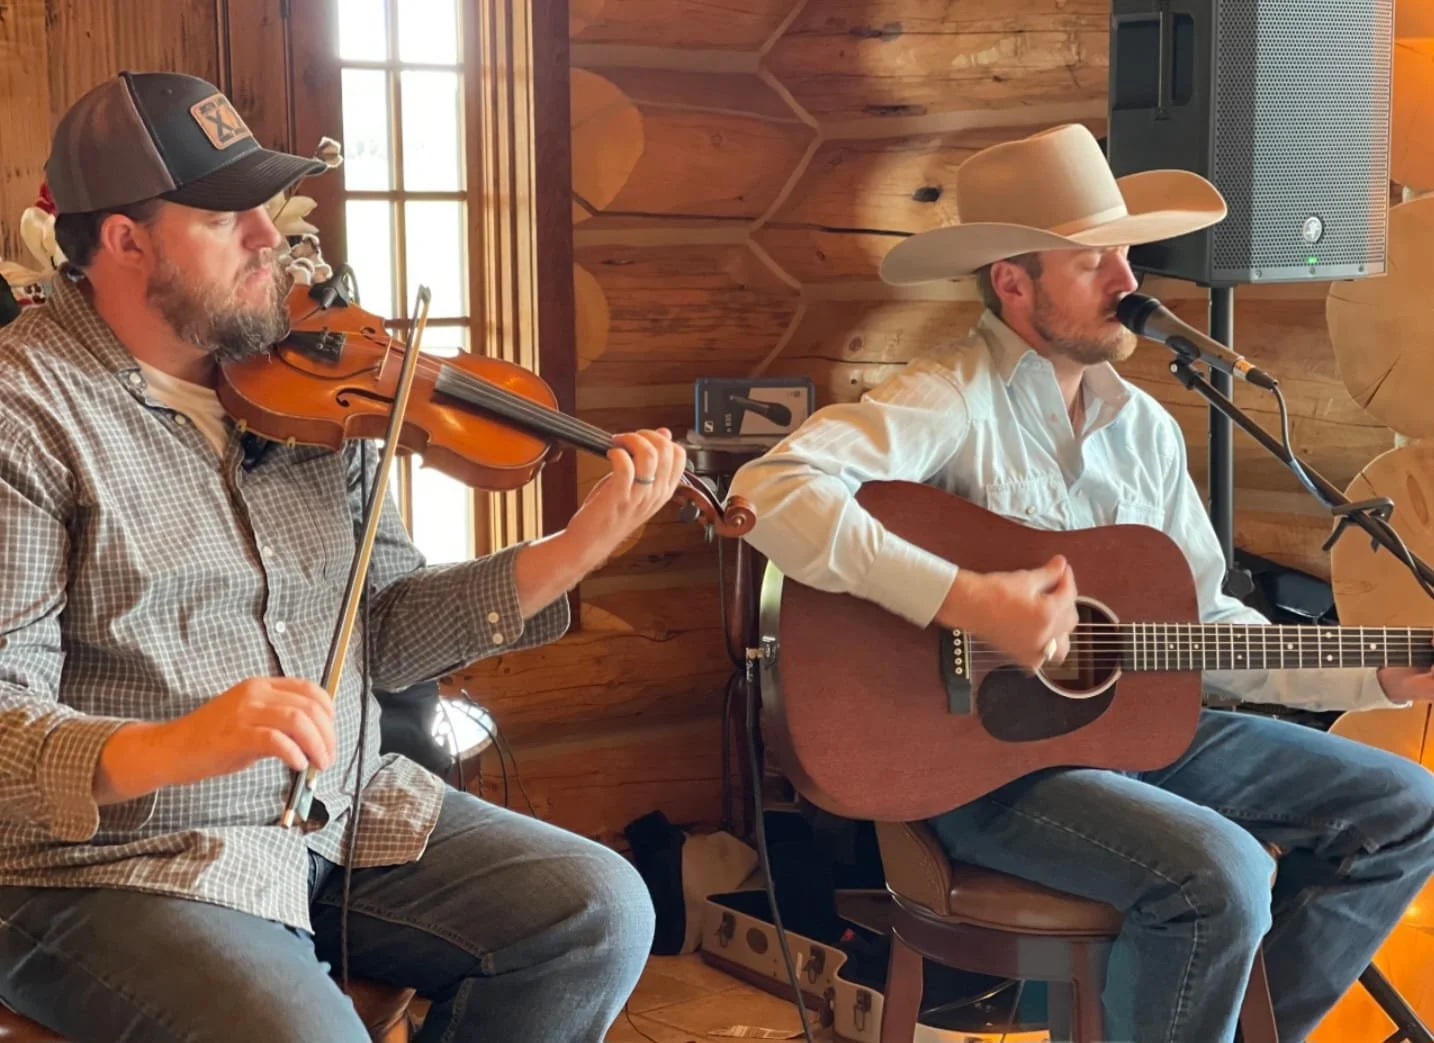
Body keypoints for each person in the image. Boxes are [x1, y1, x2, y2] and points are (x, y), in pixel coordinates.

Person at [0, 71, 684, 1042]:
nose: (268, 238)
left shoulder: (305, 387)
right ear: (125, 240)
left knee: (598, 912)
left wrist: (572, 551)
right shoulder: (24, 414)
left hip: (343, 814)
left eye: (265, 207)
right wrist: (184, 741)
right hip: (117, 863)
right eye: (227, 217)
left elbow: (387, 627)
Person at [726, 123, 1434, 1043]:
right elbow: (769, 488)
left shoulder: (1146, 429)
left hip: (1146, 732)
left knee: (1404, 809)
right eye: (1093, 260)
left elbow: (1206, 625)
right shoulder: (951, 396)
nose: (1127, 281)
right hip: (988, 769)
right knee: (1218, 872)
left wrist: (1375, 673)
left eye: (1126, 253)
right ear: (1012, 283)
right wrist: (967, 600)